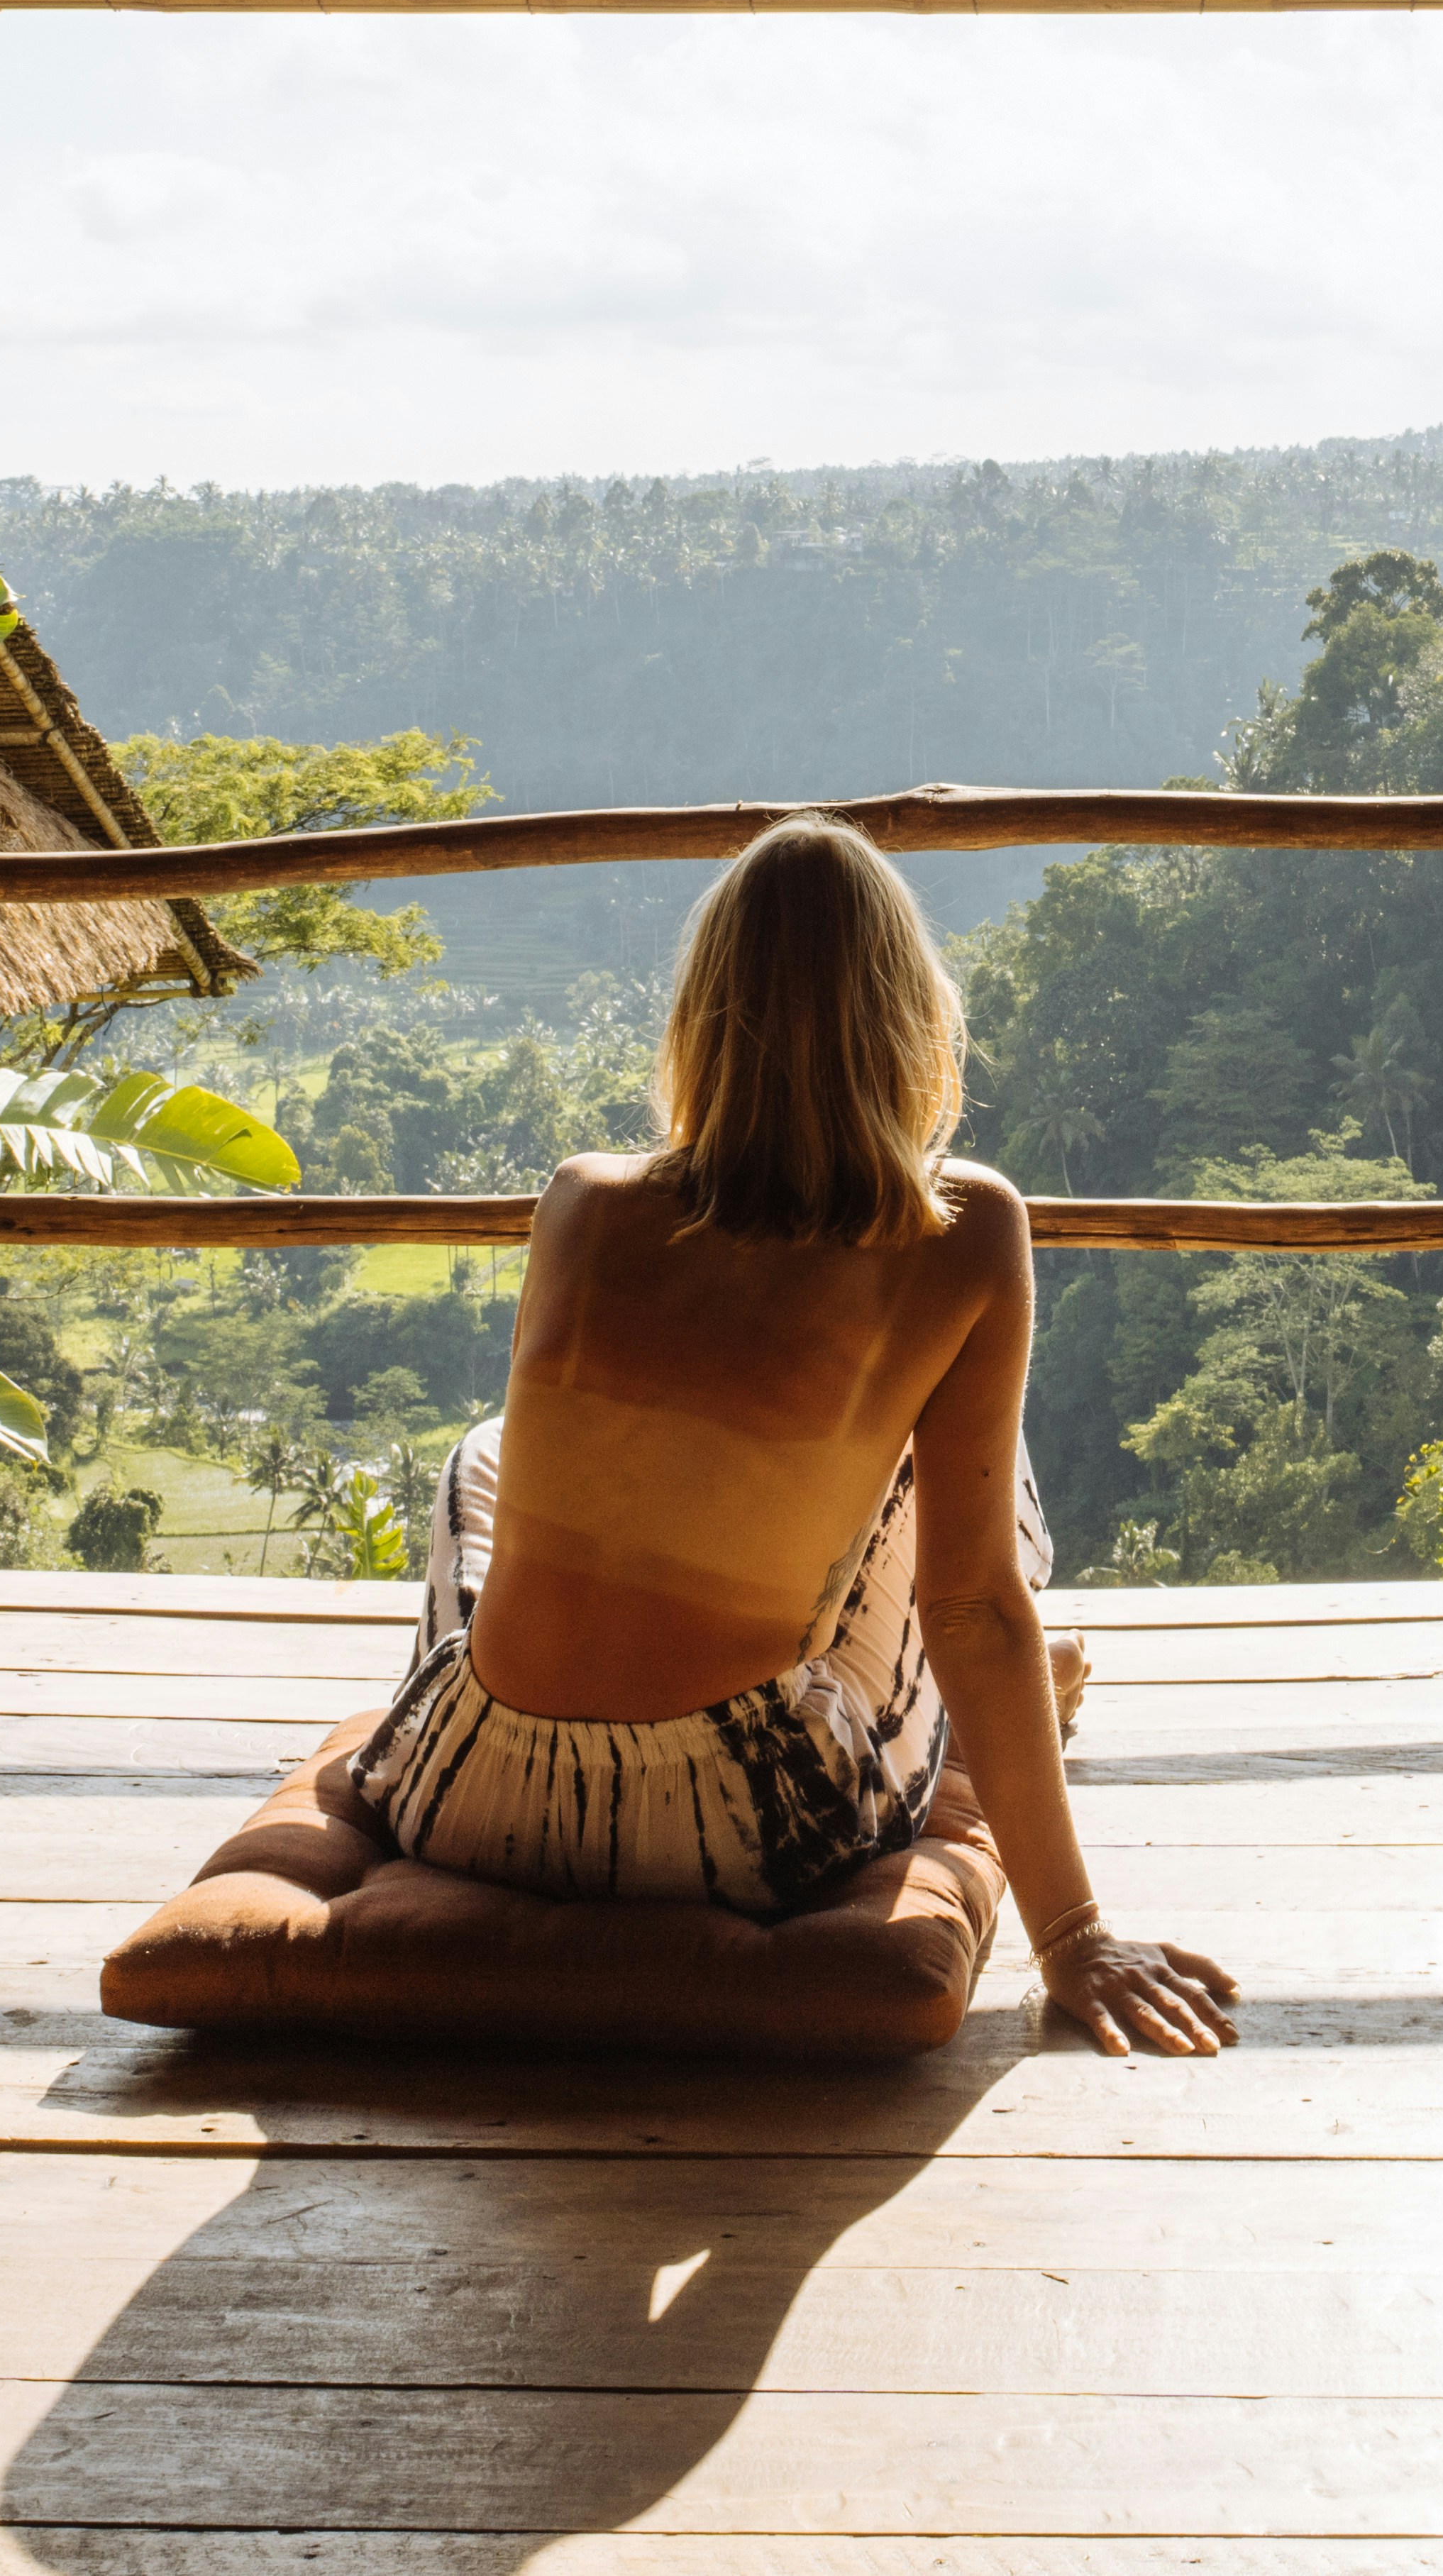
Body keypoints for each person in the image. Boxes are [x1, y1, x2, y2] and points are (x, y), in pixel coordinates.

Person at [353, 814, 1242, 2058]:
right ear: (909, 1013)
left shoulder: (581, 1201)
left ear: (704, 1015)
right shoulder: (962, 1229)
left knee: (483, 1458)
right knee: (961, 1490)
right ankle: (980, 1727)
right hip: (741, 1828)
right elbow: (972, 1604)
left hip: (462, 1798)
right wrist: (1074, 1933)